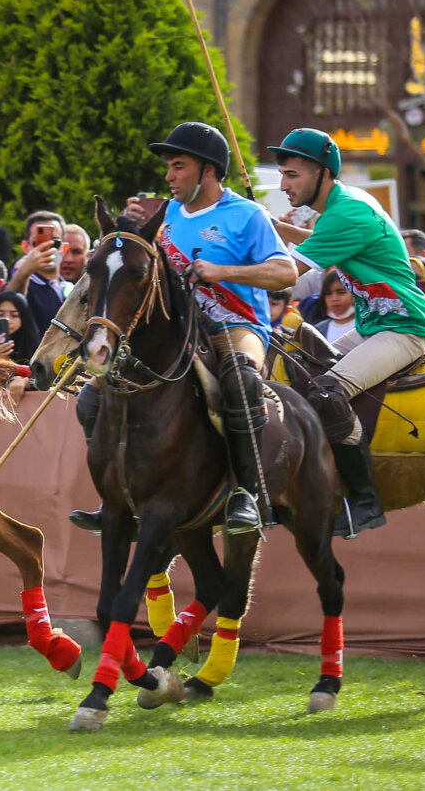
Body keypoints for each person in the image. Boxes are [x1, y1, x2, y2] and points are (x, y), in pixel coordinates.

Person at [70, 123, 299, 537]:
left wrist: (223, 271)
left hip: (233, 326)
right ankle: (113, 499)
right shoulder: (166, 216)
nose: (168, 176)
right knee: (89, 399)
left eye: (178, 167)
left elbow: (286, 272)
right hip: (176, 333)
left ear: (208, 171)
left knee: (242, 382)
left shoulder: (247, 215)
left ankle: (246, 495)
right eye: (168, 168)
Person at [271, 127, 425, 537]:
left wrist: (220, 275)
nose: (283, 184)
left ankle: (364, 501)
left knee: (326, 393)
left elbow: (285, 279)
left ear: (322, 173)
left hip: (404, 328)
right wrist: (272, 224)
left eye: (292, 175)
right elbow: (317, 241)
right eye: (283, 175)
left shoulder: (347, 212)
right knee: (297, 366)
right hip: (373, 327)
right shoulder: (341, 209)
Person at [7, 211, 73, 336]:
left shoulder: (71, 289)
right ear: (26, 247)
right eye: (37, 242)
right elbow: (9, 301)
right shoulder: (22, 283)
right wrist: (24, 271)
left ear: (64, 249)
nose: (47, 248)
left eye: (55, 243)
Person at [313, 269, 355, 343]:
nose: (334, 299)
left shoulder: (367, 327)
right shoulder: (318, 330)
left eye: (341, 292)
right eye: (328, 294)